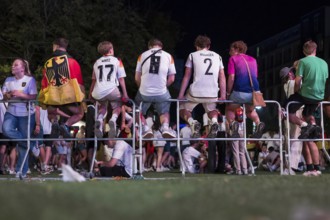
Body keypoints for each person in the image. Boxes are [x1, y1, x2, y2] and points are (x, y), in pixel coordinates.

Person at [286, 40, 328, 176]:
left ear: (304, 51)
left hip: (306, 95)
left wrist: (297, 92)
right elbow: (324, 79)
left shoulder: (303, 62)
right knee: (310, 138)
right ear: (315, 50)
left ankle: (304, 124)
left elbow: (298, 81)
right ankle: (314, 168)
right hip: (319, 96)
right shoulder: (324, 63)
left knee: (288, 109)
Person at [178, 35, 226, 138]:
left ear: (196, 46)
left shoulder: (192, 55)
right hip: (212, 92)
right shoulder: (218, 56)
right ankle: (214, 122)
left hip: (196, 92)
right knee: (211, 110)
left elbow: (187, 76)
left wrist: (181, 95)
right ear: (208, 46)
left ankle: (192, 123)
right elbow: (222, 76)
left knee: (182, 109)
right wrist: (223, 95)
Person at [38, 37, 85, 139]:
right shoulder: (72, 61)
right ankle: (66, 125)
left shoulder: (47, 63)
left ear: (56, 46)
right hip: (68, 96)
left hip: (53, 97)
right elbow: (79, 82)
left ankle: (54, 122)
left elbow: (44, 83)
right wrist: (82, 99)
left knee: (50, 112)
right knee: (80, 113)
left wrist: (42, 100)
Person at [2, 58, 38, 178]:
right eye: (12, 65)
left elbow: (33, 96)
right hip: (11, 111)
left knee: (22, 146)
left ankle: (21, 172)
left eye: (15, 65)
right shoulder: (8, 80)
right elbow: (4, 95)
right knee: (6, 129)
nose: (12, 66)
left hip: (26, 114)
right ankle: (31, 145)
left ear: (22, 68)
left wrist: (21, 94)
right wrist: (8, 95)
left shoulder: (30, 80)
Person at [135, 38, 176, 139]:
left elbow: (137, 77)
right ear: (161, 47)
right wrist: (163, 87)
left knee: (136, 110)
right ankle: (165, 127)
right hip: (161, 91)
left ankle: (145, 128)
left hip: (144, 92)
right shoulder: (168, 56)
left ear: (149, 47)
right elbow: (171, 78)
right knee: (164, 110)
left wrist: (142, 88)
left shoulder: (142, 55)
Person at [225, 40, 265, 139]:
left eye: (231, 50)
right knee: (250, 111)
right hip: (255, 92)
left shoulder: (233, 59)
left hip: (240, 92)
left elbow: (232, 77)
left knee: (229, 108)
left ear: (237, 49)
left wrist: (228, 92)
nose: (229, 52)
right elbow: (254, 76)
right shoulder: (253, 60)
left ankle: (234, 126)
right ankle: (258, 123)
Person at [89, 41, 129, 138]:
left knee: (103, 106)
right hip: (111, 90)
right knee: (118, 106)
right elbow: (121, 79)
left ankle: (99, 119)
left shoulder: (96, 62)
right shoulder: (117, 61)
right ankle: (113, 120)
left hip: (98, 91)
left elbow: (94, 81)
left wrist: (90, 93)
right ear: (111, 50)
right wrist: (125, 94)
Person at [229, 107, 248, 175]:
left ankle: (238, 170)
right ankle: (245, 170)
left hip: (235, 131)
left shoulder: (232, 108)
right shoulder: (243, 109)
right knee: (242, 152)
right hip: (243, 131)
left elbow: (230, 122)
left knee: (235, 152)